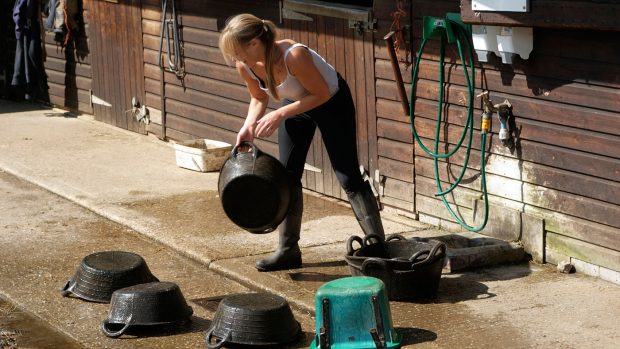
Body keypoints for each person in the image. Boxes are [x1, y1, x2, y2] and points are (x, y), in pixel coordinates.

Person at [219, 13, 384, 272]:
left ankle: (379, 249)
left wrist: (281, 113)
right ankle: (288, 250)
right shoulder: (246, 65)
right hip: (296, 106)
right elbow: (258, 98)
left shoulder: (293, 55)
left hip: (330, 103)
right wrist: (247, 126)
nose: (237, 59)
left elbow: (320, 93)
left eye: (239, 52)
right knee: (288, 176)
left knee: (348, 177)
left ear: (254, 43)